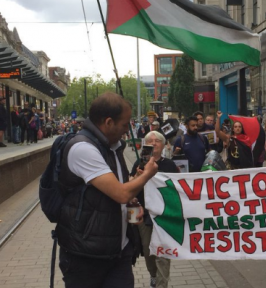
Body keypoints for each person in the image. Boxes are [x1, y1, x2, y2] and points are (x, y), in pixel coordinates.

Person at [56, 92, 158, 287]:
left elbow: (117, 188)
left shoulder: (112, 146)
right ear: (109, 122)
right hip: (86, 254)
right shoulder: (83, 149)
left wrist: (131, 198)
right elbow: (120, 193)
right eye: (124, 124)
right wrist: (146, 175)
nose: (127, 129)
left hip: (117, 251)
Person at [129, 131, 177, 288]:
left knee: (162, 252)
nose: (154, 143)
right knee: (148, 249)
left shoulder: (169, 165)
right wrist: (138, 175)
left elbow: (179, 188)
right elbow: (130, 187)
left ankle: (162, 284)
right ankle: (153, 275)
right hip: (145, 213)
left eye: (157, 141)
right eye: (150, 141)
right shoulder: (139, 164)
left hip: (165, 214)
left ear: (163, 145)